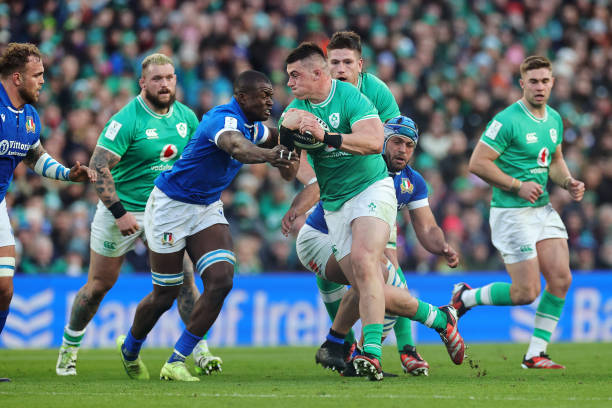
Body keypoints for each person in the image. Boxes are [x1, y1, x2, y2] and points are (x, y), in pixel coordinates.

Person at [280, 42, 464, 380]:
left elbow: (372, 140)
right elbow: (292, 169)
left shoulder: (358, 98)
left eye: (294, 75)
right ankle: (437, 320)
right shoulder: (294, 110)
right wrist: (284, 137)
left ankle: (373, 353)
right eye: (398, 142)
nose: (288, 82)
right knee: (370, 280)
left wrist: (326, 136)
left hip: (370, 191)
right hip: (331, 213)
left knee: (371, 267)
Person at [116, 70, 298, 382]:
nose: (271, 101)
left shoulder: (252, 126)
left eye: (272, 95)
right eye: (264, 95)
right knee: (165, 295)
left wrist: (300, 135)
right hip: (170, 206)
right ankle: (130, 347)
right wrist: (271, 155)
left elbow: (277, 139)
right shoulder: (221, 119)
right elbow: (236, 147)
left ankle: (176, 360)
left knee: (222, 280)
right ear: (242, 97)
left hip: (206, 207)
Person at [54, 53, 222, 377]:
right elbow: (98, 166)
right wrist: (119, 213)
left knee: (184, 280)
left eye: (169, 78)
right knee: (98, 286)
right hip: (122, 208)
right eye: (157, 79)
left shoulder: (186, 117)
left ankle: (200, 350)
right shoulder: (127, 119)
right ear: (142, 82)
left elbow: (196, 162)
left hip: (164, 211)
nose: (164, 84)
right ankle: (69, 348)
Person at [453, 56, 585, 369]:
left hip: (542, 210)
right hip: (511, 212)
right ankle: (466, 297)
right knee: (526, 292)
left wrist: (568, 181)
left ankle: (535, 353)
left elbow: (554, 160)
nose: (540, 86)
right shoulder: (507, 120)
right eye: (533, 81)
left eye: (545, 81)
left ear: (553, 83)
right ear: (522, 83)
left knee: (561, 279)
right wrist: (517, 185)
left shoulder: (554, 119)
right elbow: (477, 163)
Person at [0, 43, 96, 382]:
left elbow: (35, 157)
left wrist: (68, 174)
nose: (43, 81)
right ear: (17, 78)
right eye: (37, 75)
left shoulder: (29, 117)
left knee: (4, 288)